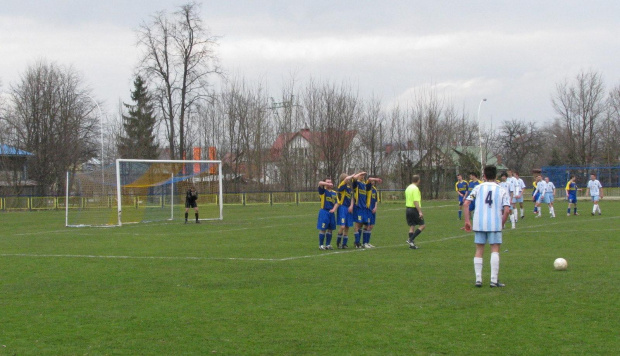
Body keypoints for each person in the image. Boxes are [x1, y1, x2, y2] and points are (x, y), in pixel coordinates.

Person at [463, 165, 511, 288]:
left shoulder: (477, 188)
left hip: (479, 223)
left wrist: (467, 221)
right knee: (495, 249)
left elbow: (466, 203)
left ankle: (478, 280)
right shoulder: (501, 190)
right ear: (496, 176)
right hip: (494, 224)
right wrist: (502, 223)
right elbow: (506, 210)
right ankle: (493, 281)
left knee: (479, 250)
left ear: (483, 175)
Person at [317, 178, 339, 250]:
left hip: (331, 213)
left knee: (330, 229)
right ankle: (321, 245)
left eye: (330, 182)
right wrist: (327, 184)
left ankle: (328, 244)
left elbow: (337, 202)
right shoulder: (323, 191)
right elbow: (320, 182)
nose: (329, 183)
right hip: (324, 212)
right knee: (323, 228)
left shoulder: (334, 193)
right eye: (327, 182)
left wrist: (334, 209)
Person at [405, 175, 425, 250]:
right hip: (414, 209)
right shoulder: (415, 189)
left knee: (412, 226)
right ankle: (410, 239)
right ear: (418, 180)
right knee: (422, 225)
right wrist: (420, 212)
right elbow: (415, 201)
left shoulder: (408, 188)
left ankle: (411, 245)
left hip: (408, 209)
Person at [336, 173, 355, 249]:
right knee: (342, 226)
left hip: (348, 208)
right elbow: (345, 180)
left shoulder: (349, 187)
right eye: (347, 178)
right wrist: (352, 175)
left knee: (347, 227)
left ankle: (344, 244)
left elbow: (352, 197)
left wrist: (351, 206)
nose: (348, 179)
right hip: (342, 208)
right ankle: (338, 242)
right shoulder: (341, 186)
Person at [365, 178, 382, 248]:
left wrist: (375, 207)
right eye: (372, 181)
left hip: (373, 209)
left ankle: (368, 242)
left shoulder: (374, 189)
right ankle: (365, 242)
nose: (373, 182)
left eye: (373, 181)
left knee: (371, 226)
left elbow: (376, 200)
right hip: (368, 209)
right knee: (367, 225)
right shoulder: (367, 187)